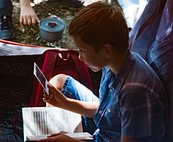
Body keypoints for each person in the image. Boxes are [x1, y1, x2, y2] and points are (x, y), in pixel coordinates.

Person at [38, 2, 168, 142]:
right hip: (107, 127)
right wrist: (65, 103)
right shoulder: (113, 62)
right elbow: (105, 110)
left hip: (113, 138)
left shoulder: (134, 91)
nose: (80, 57)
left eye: (83, 51)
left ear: (107, 50)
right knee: (59, 82)